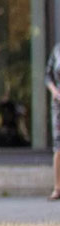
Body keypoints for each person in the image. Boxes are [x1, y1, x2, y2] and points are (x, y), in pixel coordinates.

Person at [45, 42, 60, 199]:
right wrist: (55, 92)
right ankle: (57, 188)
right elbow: (47, 75)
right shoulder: (57, 50)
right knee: (58, 146)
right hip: (58, 105)